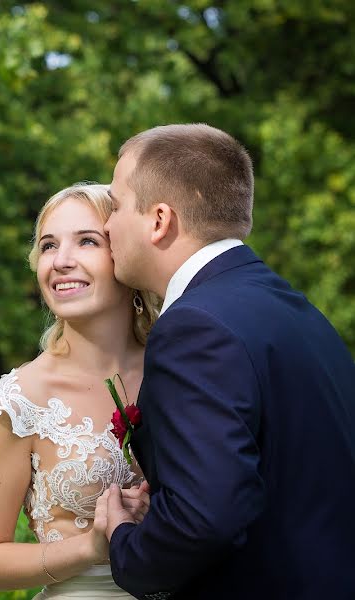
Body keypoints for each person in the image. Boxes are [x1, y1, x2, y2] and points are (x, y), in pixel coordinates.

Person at [98, 123, 355, 599]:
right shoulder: (293, 308)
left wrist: (124, 540)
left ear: (159, 220)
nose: (106, 225)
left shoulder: (194, 327)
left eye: (115, 205)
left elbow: (206, 517)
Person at [0, 183, 158, 599]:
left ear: (125, 254)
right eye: (48, 246)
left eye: (87, 241)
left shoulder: (181, 369)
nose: (61, 262)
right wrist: (92, 547)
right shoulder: (18, 401)